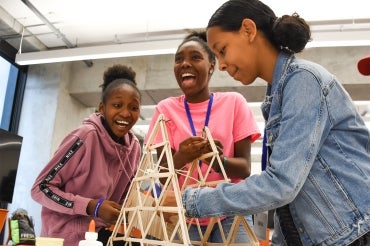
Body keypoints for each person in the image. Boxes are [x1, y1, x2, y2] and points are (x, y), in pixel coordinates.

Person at [168, 0, 370, 245]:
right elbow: (291, 199)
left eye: (222, 50)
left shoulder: (304, 81)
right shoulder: (277, 95)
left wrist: (191, 201)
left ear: (248, 30)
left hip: (352, 234)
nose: (221, 64)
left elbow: (281, 184)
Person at [144, 30, 261, 243]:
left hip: (230, 209)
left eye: (195, 57)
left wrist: (216, 160)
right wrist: (183, 156)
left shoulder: (234, 103)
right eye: (179, 60)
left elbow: (244, 169)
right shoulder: (165, 109)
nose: (185, 64)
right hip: (184, 214)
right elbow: (162, 176)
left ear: (212, 66)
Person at [31, 64, 142, 246]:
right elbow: (40, 188)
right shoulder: (84, 137)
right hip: (64, 239)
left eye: (133, 107)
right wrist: (92, 206)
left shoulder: (134, 148)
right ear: (102, 108)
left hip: (100, 235)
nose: (125, 113)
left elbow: (125, 197)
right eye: (117, 105)